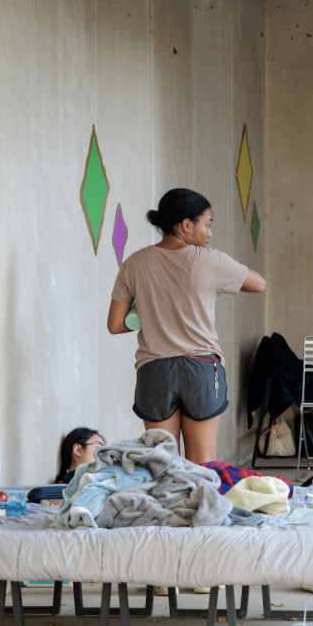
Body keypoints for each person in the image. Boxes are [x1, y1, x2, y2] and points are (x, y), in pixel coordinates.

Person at [107, 188, 266, 464]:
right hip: (200, 369)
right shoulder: (210, 260)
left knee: (162, 466)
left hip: (154, 371)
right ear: (186, 225)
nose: (209, 233)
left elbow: (116, 324)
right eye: (208, 224)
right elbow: (259, 283)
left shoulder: (133, 263)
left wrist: (153, 310)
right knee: (202, 467)